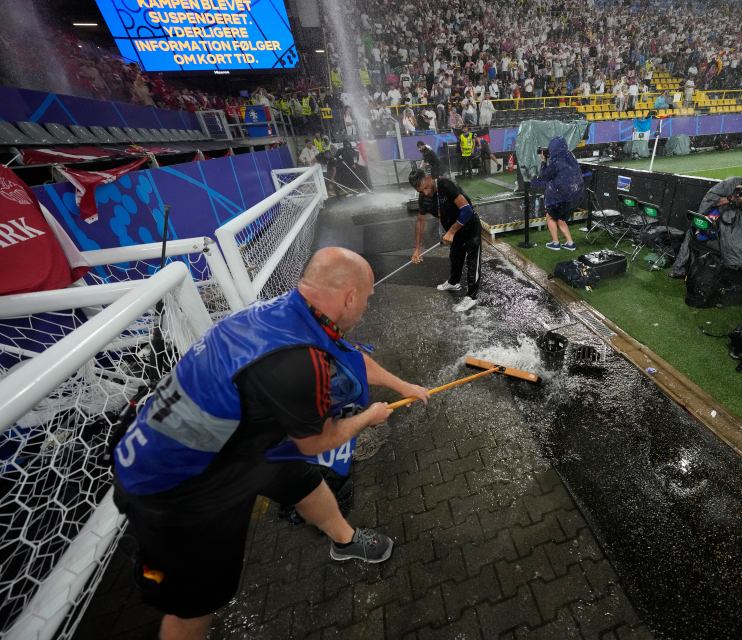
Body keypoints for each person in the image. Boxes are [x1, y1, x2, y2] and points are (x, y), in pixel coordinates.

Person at [112, 247, 429, 640]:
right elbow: (317, 441)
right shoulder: (296, 361)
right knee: (194, 603)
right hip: (178, 485)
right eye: (365, 299)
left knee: (302, 481)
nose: (365, 306)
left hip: (235, 441)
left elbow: (350, 360)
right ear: (349, 297)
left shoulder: (292, 313)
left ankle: (344, 541)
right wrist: (370, 416)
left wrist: (405, 386)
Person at [669, 171, 742, 278]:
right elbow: (710, 201)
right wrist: (730, 199)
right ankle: (681, 267)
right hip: (718, 218)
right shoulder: (732, 182)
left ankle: (732, 272)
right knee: (694, 231)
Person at [408, 169, 482, 312]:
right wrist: (417, 248)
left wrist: (452, 231)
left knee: (473, 261)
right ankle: (454, 282)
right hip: (453, 231)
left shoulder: (445, 185)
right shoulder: (423, 197)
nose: (426, 193)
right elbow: (420, 221)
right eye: (421, 191)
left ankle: (471, 297)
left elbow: (467, 210)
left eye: (426, 188)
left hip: (469, 226)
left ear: (429, 178)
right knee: (455, 256)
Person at [530, 137, 583, 251]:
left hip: (561, 197)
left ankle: (555, 243)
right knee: (560, 218)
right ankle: (570, 243)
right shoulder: (571, 157)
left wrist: (543, 161)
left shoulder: (556, 162)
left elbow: (544, 176)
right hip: (575, 196)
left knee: (550, 217)